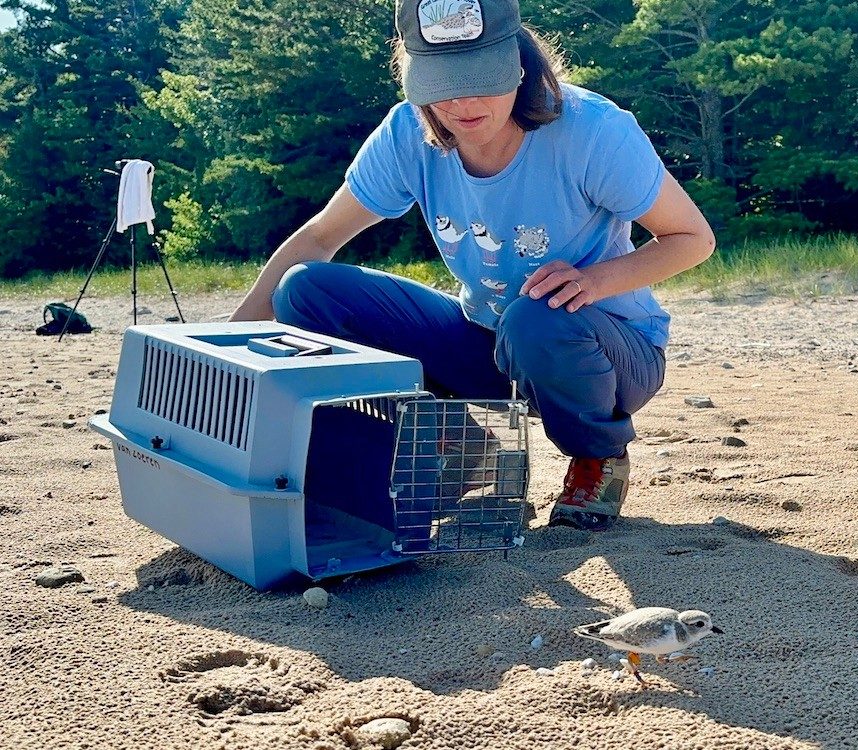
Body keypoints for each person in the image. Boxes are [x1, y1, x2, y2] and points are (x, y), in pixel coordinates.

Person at [230, 0, 716, 532]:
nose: (462, 100)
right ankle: (455, 440)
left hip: (604, 351)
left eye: (482, 77)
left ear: (520, 64)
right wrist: (224, 344)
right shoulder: (406, 134)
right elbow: (321, 236)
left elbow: (692, 238)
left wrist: (596, 280)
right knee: (307, 290)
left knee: (536, 315)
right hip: (486, 338)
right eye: (441, 82)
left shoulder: (593, 131)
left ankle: (597, 455)